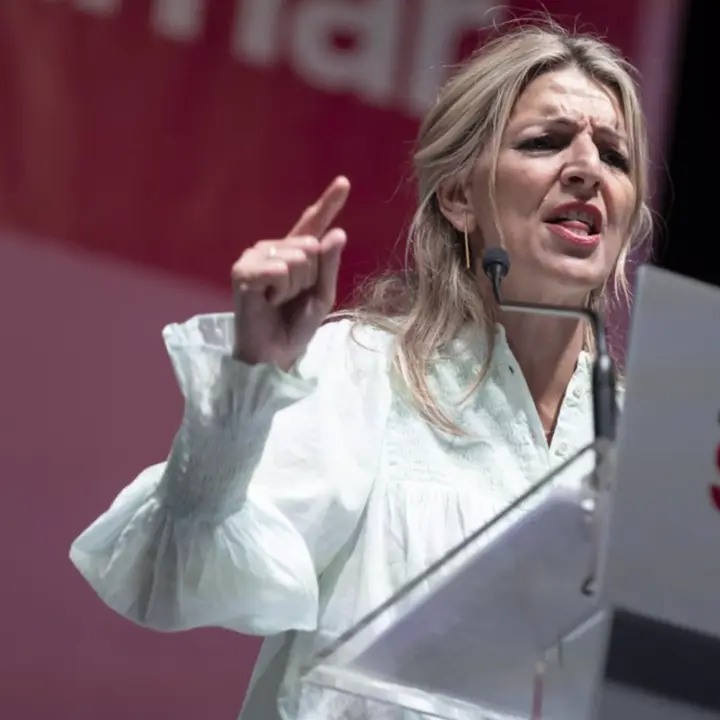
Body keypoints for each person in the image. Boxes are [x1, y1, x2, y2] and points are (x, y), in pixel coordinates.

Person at [68, 20, 653, 720]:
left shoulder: (652, 442)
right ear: (460, 198)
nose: (587, 168)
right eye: (546, 142)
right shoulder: (362, 374)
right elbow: (175, 572)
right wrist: (250, 383)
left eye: (615, 156)